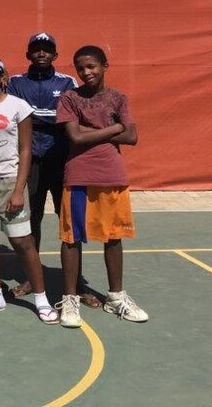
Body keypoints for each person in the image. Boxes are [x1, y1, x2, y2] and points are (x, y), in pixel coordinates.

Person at [56, 45, 148, 328]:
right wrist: (114, 129)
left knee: (114, 236)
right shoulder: (70, 98)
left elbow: (132, 137)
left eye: (92, 66)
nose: (87, 72)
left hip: (112, 175)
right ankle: (70, 298)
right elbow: (75, 137)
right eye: (81, 68)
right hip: (79, 175)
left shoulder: (118, 98)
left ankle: (116, 296)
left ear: (105, 65)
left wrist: (96, 132)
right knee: (72, 239)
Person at [6, 32, 99, 307]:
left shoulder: (66, 82)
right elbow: (16, 116)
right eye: (36, 49)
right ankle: (30, 278)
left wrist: (34, 115)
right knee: (30, 221)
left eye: (47, 49)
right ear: (28, 54)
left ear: (55, 55)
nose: (41, 53)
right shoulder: (15, 82)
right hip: (30, 163)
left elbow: (66, 117)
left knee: (69, 222)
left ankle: (78, 283)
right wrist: (44, 115)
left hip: (61, 161)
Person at [0, 56, 58, 324]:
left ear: (2, 76)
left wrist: (19, 189)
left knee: (21, 241)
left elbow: (25, 149)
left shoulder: (19, 106)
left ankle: (41, 298)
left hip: (8, 180)